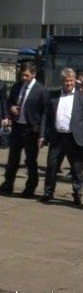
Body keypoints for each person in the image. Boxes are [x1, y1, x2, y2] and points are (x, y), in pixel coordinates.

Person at [38, 68, 83, 204]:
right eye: (66, 81)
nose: (68, 83)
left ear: (74, 81)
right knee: (52, 166)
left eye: (70, 80)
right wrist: (42, 135)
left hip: (74, 138)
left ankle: (77, 193)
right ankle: (48, 192)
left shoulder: (82, 97)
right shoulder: (54, 96)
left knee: (76, 168)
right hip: (57, 138)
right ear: (62, 81)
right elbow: (46, 117)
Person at [1, 61, 48, 197]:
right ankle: (8, 183)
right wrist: (11, 108)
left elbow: (45, 114)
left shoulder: (41, 90)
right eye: (22, 75)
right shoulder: (17, 86)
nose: (24, 78)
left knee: (30, 160)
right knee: (13, 158)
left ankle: (30, 187)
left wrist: (42, 134)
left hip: (31, 130)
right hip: (17, 127)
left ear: (34, 74)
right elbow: (9, 101)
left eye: (26, 75)